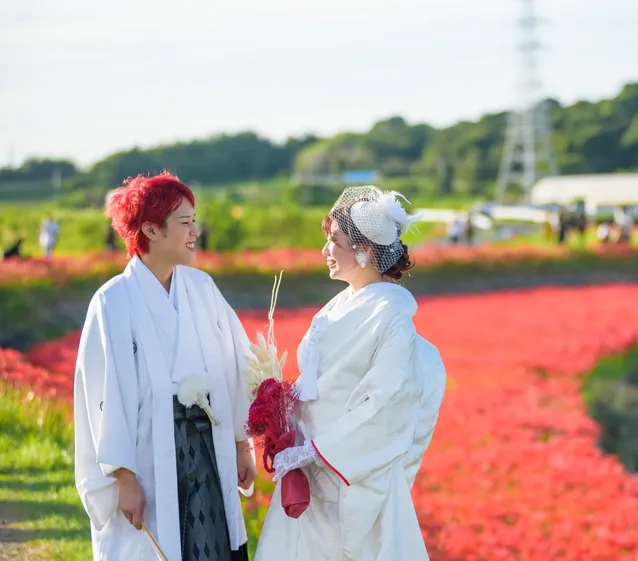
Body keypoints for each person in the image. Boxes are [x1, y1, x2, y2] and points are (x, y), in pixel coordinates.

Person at [254, 185, 447, 561]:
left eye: (334, 241)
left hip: (347, 470)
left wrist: (316, 451)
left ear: (365, 250)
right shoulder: (335, 308)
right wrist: (282, 422)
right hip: (311, 467)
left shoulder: (392, 317)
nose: (325, 250)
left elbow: (387, 404)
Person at [73, 172, 257, 561]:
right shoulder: (113, 302)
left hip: (207, 448)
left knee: (213, 542)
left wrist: (242, 444)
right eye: (185, 222)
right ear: (151, 230)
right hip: (148, 457)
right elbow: (103, 396)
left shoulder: (202, 289)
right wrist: (123, 478)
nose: (196, 231)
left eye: (195, 221)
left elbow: (235, 366)